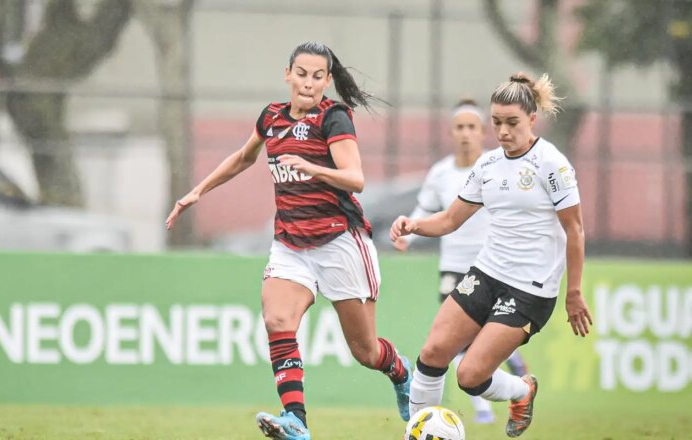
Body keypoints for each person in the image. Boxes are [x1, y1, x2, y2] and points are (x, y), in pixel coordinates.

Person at [166, 41, 412, 440]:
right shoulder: (272, 117)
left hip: (340, 242)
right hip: (291, 243)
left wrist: (313, 167)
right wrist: (200, 190)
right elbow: (245, 157)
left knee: (366, 352)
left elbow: (356, 179)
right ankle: (295, 419)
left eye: (318, 76)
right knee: (277, 319)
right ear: (287, 74)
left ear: (327, 80)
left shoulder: (334, 118)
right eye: (302, 74)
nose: (309, 83)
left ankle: (400, 372)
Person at [390, 72, 592, 438]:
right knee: (434, 352)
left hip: (530, 289)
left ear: (532, 119)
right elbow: (451, 218)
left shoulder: (553, 165)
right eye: (496, 122)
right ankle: (418, 434)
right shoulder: (487, 166)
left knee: (469, 375)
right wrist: (413, 225)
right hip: (487, 272)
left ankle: (522, 390)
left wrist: (574, 293)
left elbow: (574, 230)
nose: (502, 132)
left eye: (511, 122)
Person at [393, 99, 528, 424]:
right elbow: (426, 211)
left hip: (495, 269)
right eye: (460, 127)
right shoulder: (440, 173)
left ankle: (516, 369)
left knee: (486, 340)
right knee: (454, 342)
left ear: (483, 132)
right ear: (452, 132)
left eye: (472, 127)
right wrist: (407, 235)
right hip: (454, 268)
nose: (466, 134)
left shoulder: (498, 167)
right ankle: (482, 409)